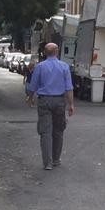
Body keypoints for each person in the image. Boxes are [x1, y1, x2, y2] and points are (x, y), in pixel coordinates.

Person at [25, 43, 75, 171]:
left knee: (45, 132)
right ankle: (56, 159)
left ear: (45, 53)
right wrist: (71, 104)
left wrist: (30, 98)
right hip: (59, 101)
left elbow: (33, 86)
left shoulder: (40, 67)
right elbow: (69, 88)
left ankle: (47, 163)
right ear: (57, 52)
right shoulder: (64, 67)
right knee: (58, 131)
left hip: (44, 101)